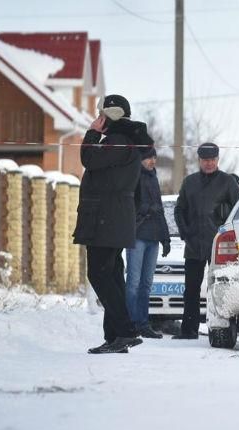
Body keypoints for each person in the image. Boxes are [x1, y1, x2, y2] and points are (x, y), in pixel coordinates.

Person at [74, 94, 150, 354]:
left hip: (107, 220)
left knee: (99, 274)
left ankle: (126, 332)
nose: (98, 119)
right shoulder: (126, 143)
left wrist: (91, 133)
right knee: (113, 276)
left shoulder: (118, 142)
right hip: (114, 219)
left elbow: (89, 159)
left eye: (101, 115)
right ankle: (115, 337)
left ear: (111, 116)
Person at [173, 143, 239, 339]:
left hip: (220, 245)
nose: (209, 163)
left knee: (222, 286)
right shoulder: (190, 182)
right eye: (205, 160)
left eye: (212, 160)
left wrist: (228, 234)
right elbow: (179, 210)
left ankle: (226, 327)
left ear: (217, 160)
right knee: (191, 289)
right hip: (194, 244)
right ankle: (189, 330)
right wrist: (185, 233)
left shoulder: (227, 182)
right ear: (199, 161)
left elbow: (238, 211)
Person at [126, 147, 171, 339]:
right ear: (141, 159)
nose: (152, 161)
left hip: (153, 238)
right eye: (148, 158)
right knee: (133, 283)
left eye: (154, 157)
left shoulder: (153, 177)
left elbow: (159, 210)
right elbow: (127, 205)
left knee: (146, 284)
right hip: (136, 236)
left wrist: (166, 237)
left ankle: (143, 323)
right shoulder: (133, 176)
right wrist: (144, 209)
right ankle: (129, 324)